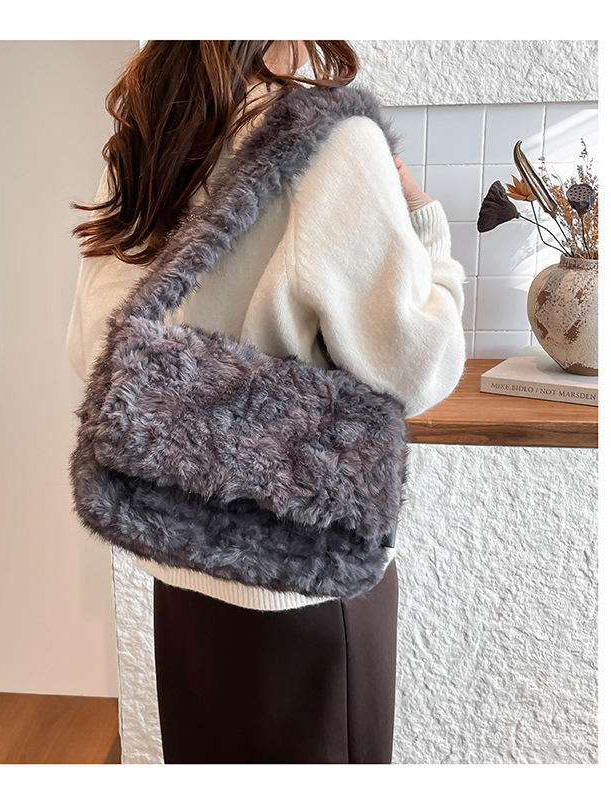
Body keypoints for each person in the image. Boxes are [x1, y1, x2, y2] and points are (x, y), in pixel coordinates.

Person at [67, 40, 466, 763]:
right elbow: (418, 365)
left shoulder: (146, 138)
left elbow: (96, 350)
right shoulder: (335, 142)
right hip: (305, 580)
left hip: (181, 566)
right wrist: (428, 228)